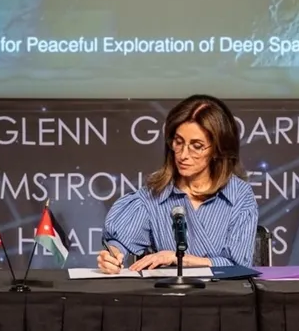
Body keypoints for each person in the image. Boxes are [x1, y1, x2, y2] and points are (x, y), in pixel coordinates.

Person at [97, 94, 258, 273]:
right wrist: (112, 256)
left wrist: (178, 258)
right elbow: (120, 242)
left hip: (224, 290)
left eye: (196, 146)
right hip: (168, 290)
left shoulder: (239, 195)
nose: (183, 155)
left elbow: (239, 265)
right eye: (178, 142)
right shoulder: (154, 195)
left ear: (216, 150)